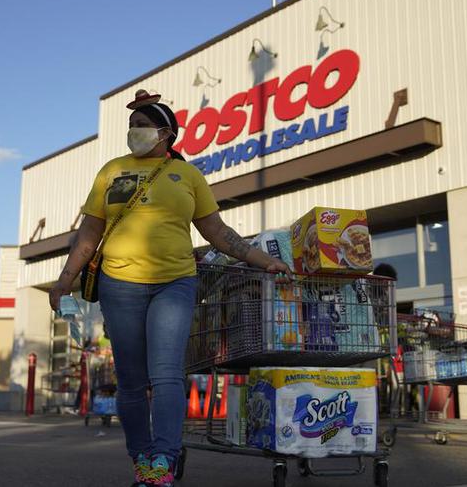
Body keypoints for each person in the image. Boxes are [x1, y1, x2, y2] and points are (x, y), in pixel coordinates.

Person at [49, 90, 291, 487]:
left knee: (166, 375)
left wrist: (263, 260)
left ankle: (163, 459)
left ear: (165, 133)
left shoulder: (188, 175)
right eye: (131, 126)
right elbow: (89, 232)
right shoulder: (112, 170)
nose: (134, 132)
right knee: (130, 381)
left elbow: (217, 231)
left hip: (175, 284)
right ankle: (141, 458)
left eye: (142, 126)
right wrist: (64, 281)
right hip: (119, 285)